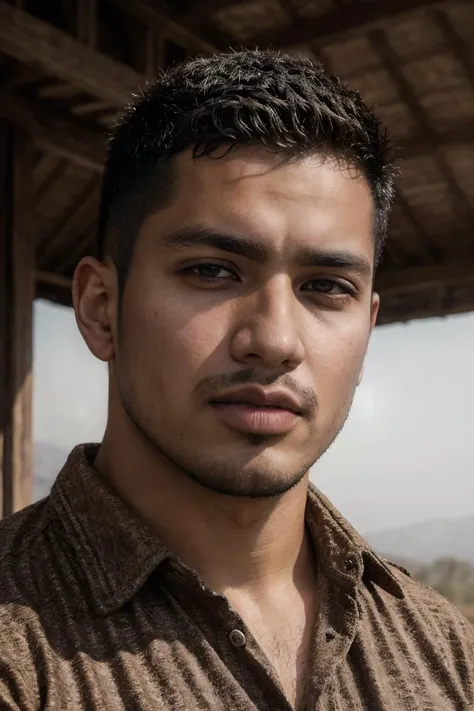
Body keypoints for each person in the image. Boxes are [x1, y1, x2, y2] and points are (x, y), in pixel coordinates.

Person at [0, 49, 472, 711]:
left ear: (366, 331)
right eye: (211, 270)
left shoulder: (446, 650)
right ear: (101, 308)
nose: (276, 339)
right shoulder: (17, 654)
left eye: (325, 287)